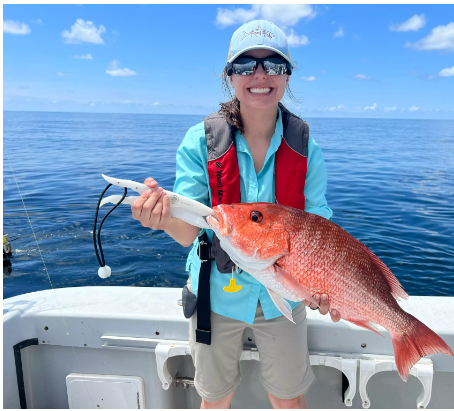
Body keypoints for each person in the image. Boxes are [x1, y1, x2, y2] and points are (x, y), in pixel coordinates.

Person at [131, 19, 341, 409]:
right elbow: (188, 233)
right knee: (214, 398)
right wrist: (159, 217)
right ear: (229, 76)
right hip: (215, 297)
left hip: (286, 296)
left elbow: (319, 231)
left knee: (289, 398)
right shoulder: (200, 142)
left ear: (287, 75)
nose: (259, 75)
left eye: (273, 65)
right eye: (245, 65)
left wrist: (323, 284)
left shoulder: (307, 149)